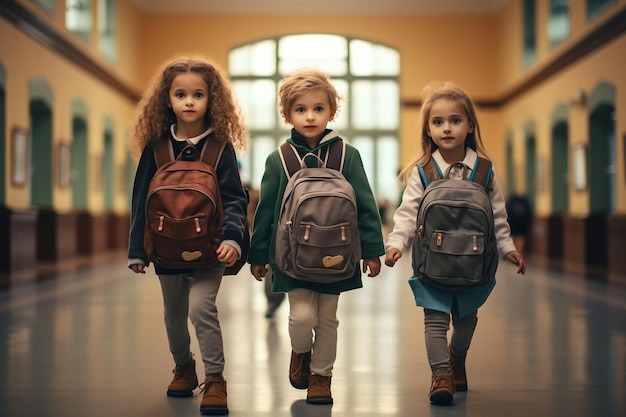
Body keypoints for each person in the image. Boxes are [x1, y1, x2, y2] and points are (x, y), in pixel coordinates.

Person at [248, 69, 385, 405]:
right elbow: (267, 210)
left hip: (338, 252)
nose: (310, 116)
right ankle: (300, 352)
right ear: (287, 114)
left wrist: (371, 251)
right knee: (302, 317)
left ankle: (321, 377)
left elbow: (365, 206)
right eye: (301, 110)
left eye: (318, 109)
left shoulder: (347, 155)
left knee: (328, 318)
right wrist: (258, 255)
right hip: (290, 255)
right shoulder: (278, 159)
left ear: (331, 112)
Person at [384, 81, 526, 405]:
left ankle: (456, 357)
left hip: (473, 264)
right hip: (431, 262)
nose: (446, 128)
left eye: (454, 120)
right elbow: (407, 213)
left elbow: (498, 217)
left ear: (470, 125)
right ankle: (441, 374)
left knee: (465, 323)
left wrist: (508, 248)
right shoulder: (423, 170)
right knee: (434, 321)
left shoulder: (486, 171)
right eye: (438, 122)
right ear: (428, 130)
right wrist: (396, 244)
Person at [127, 54, 248, 416]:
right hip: (166, 249)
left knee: (201, 308)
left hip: (211, 250)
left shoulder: (220, 147)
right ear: (167, 100)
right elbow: (140, 200)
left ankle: (215, 380)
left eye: (198, 94)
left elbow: (234, 200)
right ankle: (183, 367)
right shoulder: (157, 147)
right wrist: (137, 249)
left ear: (212, 100)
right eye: (181, 94)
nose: (190, 101)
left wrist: (233, 239)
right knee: (173, 315)